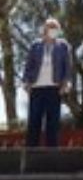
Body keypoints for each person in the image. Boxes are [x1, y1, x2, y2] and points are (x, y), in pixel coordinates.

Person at [23, 18, 72, 147]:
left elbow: (67, 66)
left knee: (53, 122)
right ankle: (31, 153)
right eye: (50, 27)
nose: (53, 30)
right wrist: (27, 83)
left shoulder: (63, 46)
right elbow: (28, 65)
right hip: (37, 88)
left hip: (54, 88)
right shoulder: (35, 45)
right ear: (45, 29)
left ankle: (52, 153)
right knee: (34, 121)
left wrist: (65, 84)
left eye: (55, 27)